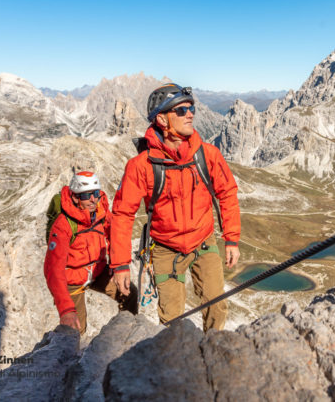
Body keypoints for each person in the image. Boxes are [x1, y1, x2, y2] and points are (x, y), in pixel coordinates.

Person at [110, 84, 241, 331]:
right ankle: (177, 364)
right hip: (165, 250)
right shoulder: (141, 165)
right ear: (162, 119)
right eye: (181, 110)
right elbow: (122, 214)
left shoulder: (207, 155)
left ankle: (213, 355)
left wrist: (232, 238)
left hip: (203, 242)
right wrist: (120, 264)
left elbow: (227, 192)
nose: (190, 113)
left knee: (216, 305)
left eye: (191, 107)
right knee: (171, 320)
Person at [44, 171, 138, 335]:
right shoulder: (63, 225)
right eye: (87, 195)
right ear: (75, 197)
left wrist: (118, 267)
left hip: (98, 270)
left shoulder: (100, 212)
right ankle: (74, 357)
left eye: (95, 193)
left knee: (130, 293)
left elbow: (114, 236)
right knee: (76, 329)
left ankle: (125, 336)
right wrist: (66, 309)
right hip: (72, 280)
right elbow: (53, 269)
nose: (93, 199)